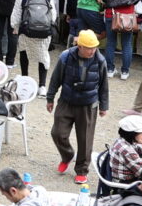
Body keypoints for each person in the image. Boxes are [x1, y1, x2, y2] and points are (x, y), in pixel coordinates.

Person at [44, 28, 109, 182]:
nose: (92, 51)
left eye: (94, 47)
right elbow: (55, 78)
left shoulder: (100, 61)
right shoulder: (66, 57)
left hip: (88, 104)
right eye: (88, 48)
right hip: (66, 100)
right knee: (57, 133)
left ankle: (82, 170)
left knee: (85, 139)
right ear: (79, 46)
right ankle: (67, 155)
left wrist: (103, 106)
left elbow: (103, 85)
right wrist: (50, 97)